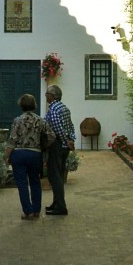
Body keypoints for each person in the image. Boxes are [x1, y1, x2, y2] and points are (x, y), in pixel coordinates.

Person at [4, 94, 56, 220]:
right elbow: (51, 136)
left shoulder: (17, 120)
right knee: (35, 182)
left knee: (22, 183)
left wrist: (6, 156)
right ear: (34, 105)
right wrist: (43, 146)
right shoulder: (40, 120)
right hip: (35, 154)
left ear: (21, 105)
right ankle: (36, 210)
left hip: (19, 154)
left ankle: (28, 212)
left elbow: (12, 141)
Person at [44, 85, 75, 216]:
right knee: (59, 175)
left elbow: (57, 128)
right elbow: (71, 126)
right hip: (64, 146)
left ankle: (61, 207)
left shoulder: (54, 109)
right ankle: (56, 203)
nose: (45, 95)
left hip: (57, 145)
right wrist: (71, 140)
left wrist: (64, 140)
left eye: (47, 93)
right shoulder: (64, 108)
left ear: (52, 95)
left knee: (54, 176)